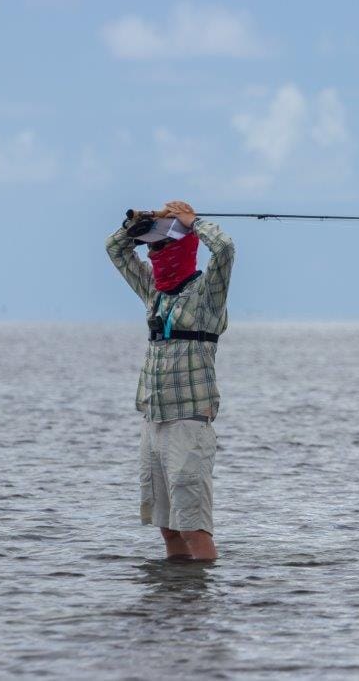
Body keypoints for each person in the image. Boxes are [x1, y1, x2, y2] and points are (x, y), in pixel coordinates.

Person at [105, 200, 235, 561]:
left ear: (185, 245)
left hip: (188, 421)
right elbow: (115, 249)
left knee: (193, 525)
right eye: (153, 247)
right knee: (168, 526)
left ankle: (200, 601)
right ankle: (173, 597)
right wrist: (142, 224)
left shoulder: (207, 295)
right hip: (154, 420)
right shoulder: (155, 294)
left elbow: (224, 250)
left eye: (164, 245)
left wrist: (194, 223)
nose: (156, 254)